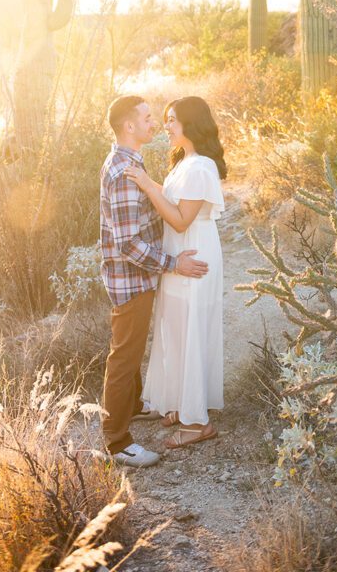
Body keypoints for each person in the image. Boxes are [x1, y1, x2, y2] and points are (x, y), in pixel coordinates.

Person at [99, 95, 210, 468]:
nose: (154, 123)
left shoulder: (131, 163)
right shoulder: (123, 171)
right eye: (147, 118)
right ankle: (117, 443)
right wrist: (172, 263)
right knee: (125, 356)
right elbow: (128, 243)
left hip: (135, 277)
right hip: (131, 279)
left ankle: (132, 406)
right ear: (129, 126)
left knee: (129, 351)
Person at [125, 95, 226, 449]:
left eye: (172, 120)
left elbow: (182, 220)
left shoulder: (201, 167)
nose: (165, 127)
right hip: (176, 256)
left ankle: (198, 422)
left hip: (193, 253)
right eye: (165, 120)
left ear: (190, 124)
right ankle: (181, 404)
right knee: (176, 329)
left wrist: (148, 184)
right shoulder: (185, 162)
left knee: (191, 332)